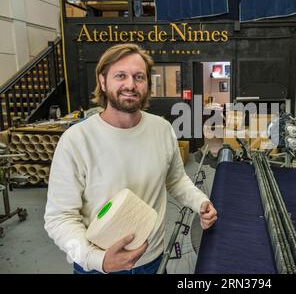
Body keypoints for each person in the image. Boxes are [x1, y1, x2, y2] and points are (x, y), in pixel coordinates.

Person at [44, 43, 217, 274]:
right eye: (120, 76)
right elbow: (59, 218)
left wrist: (200, 203)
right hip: (97, 266)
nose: (130, 85)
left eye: (138, 77)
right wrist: (96, 259)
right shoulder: (76, 140)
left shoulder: (162, 129)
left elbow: (175, 180)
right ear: (103, 82)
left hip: (153, 261)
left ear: (147, 84)